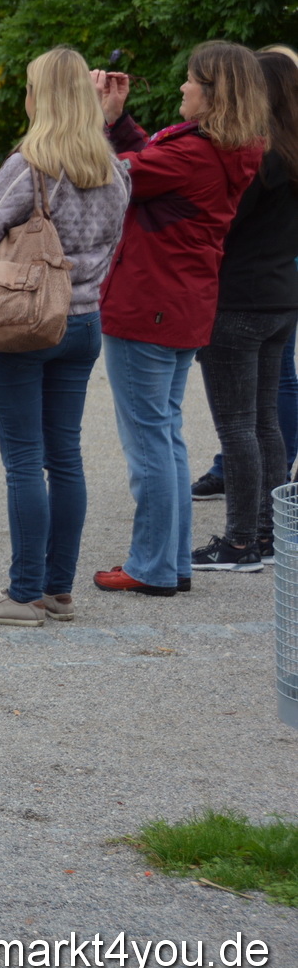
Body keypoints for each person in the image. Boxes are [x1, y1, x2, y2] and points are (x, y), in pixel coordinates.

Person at [0, 48, 129, 626]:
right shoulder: (114, 168)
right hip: (83, 324)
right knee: (66, 457)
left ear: (39, 99)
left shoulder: (30, 165)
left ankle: (23, 593)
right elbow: (113, 246)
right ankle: (59, 589)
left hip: (26, 325)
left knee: (24, 460)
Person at [91, 42, 268, 595]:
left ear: (214, 93)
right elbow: (151, 162)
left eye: (192, 81)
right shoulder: (219, 148)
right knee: (165, 435)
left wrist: (90, 124)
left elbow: (112, 177)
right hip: (181, 303)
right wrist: (118, 125)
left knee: (149, 442)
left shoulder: (197, 154)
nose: (184, 88)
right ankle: (170, 563)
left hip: (150, 305)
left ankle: (151, 567)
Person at [192, 50, 298, 572]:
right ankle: (273, 533)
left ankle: (239, 543)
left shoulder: (259, 159)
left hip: (238, 300)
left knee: (236, 427)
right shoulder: (292, 153)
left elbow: (223, 225)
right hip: (282, 299)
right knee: (264, 423)